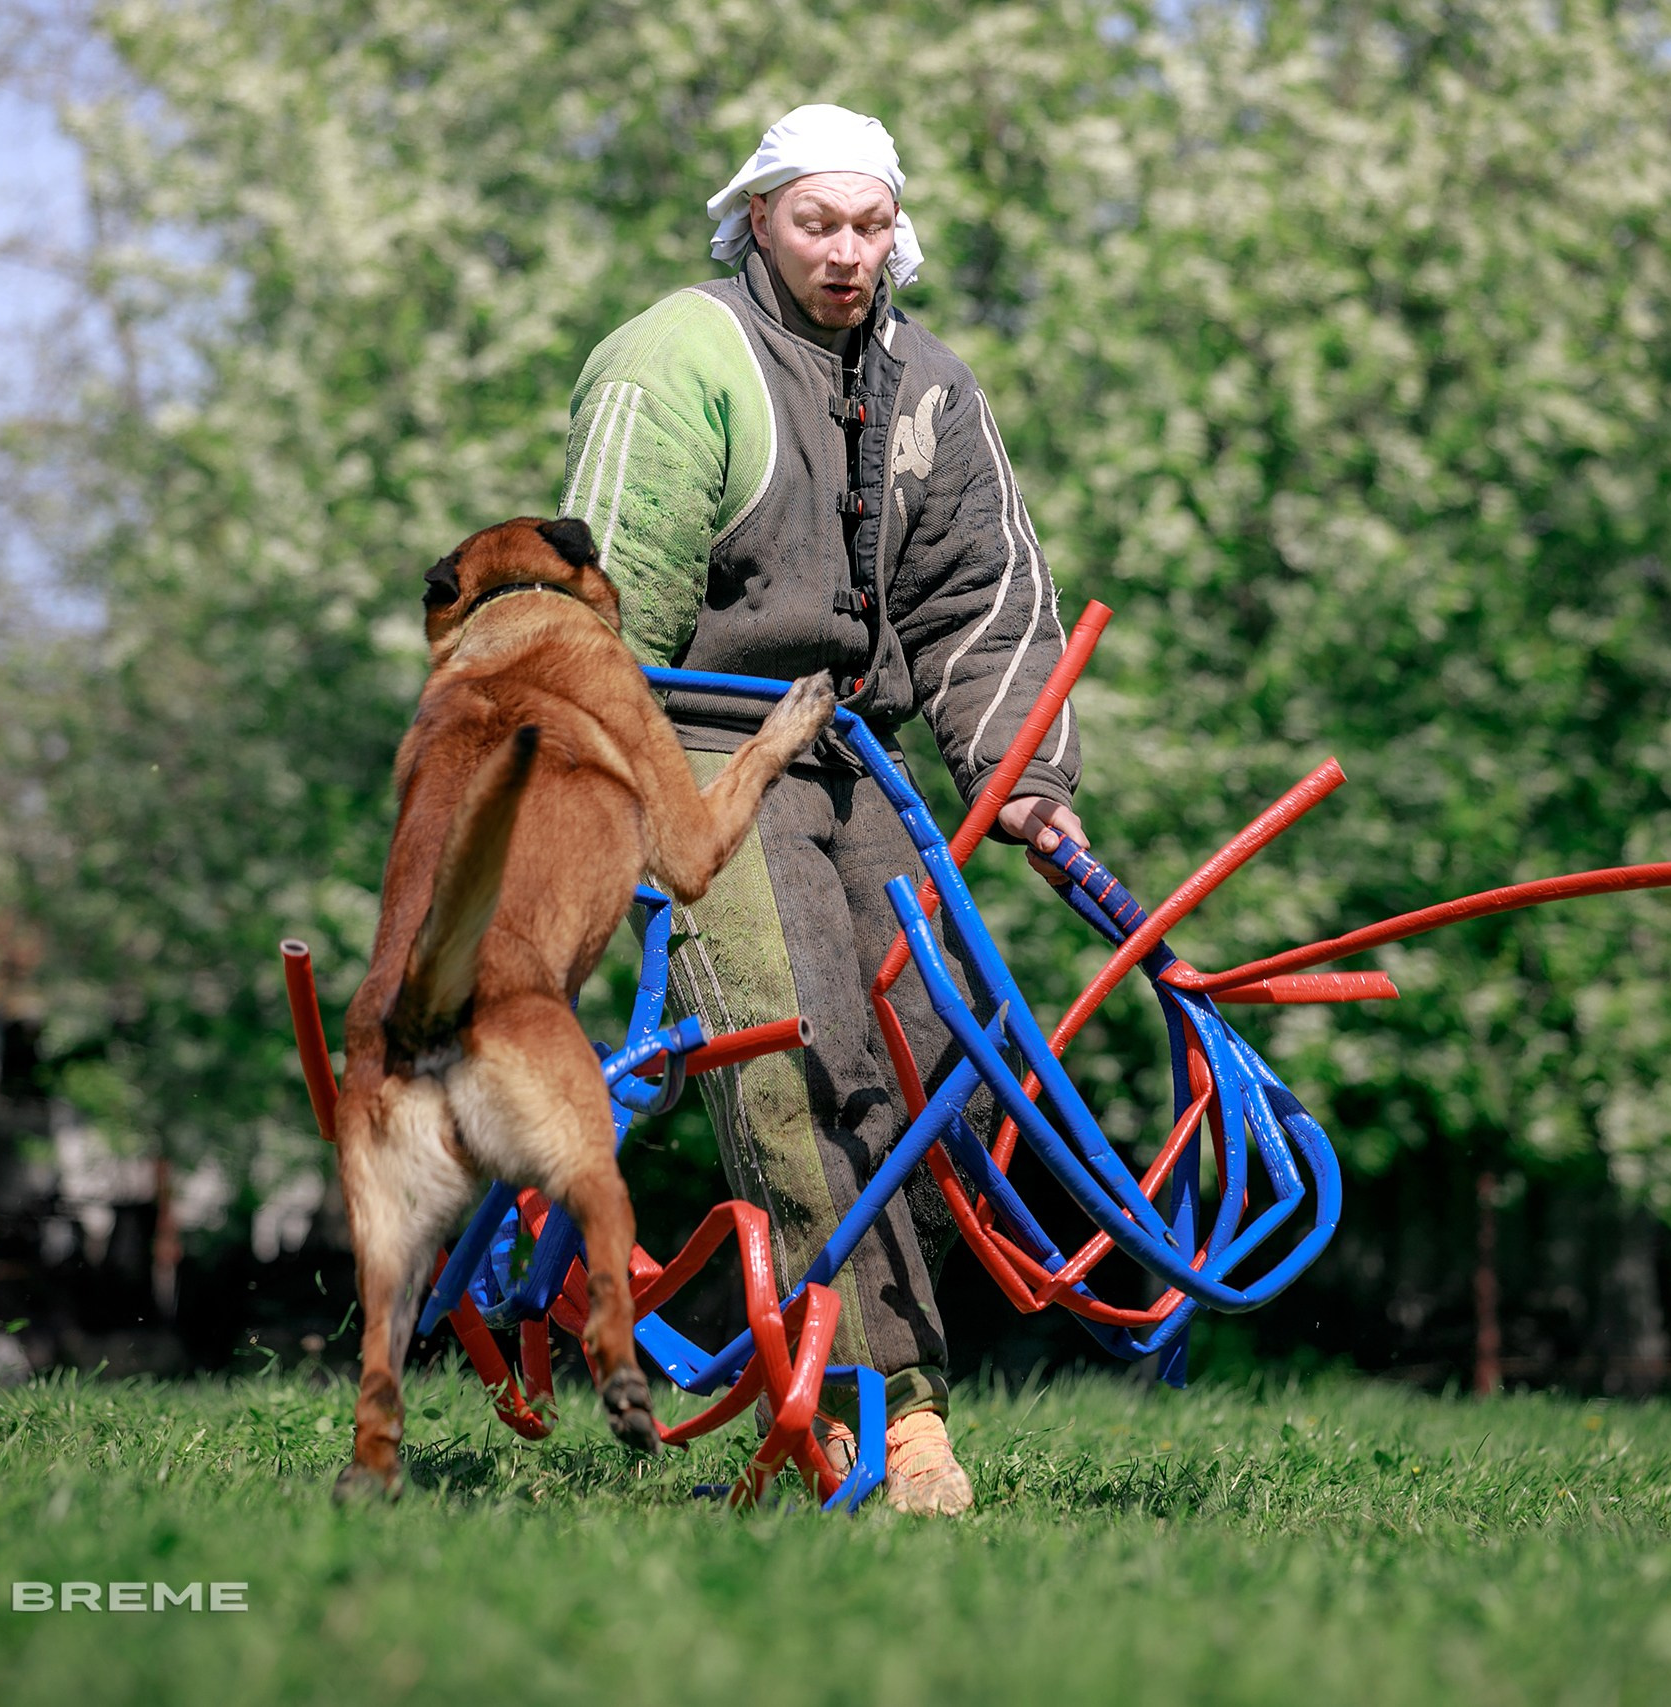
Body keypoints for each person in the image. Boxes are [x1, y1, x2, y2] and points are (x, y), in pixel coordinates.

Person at [561, 103, 1086, 1514]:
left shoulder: (929, 385)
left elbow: (978, 602)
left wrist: (1028, 788)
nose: (848, 253)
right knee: (797, 1039)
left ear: (895, 229)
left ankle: (901, 1397)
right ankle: (872, 1408)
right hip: (704, 744)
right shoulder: (684, 358)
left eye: (869, 225)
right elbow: (602, 610)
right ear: (761, 223)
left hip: (855, 751)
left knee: (927, 1051)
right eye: (817, 225)